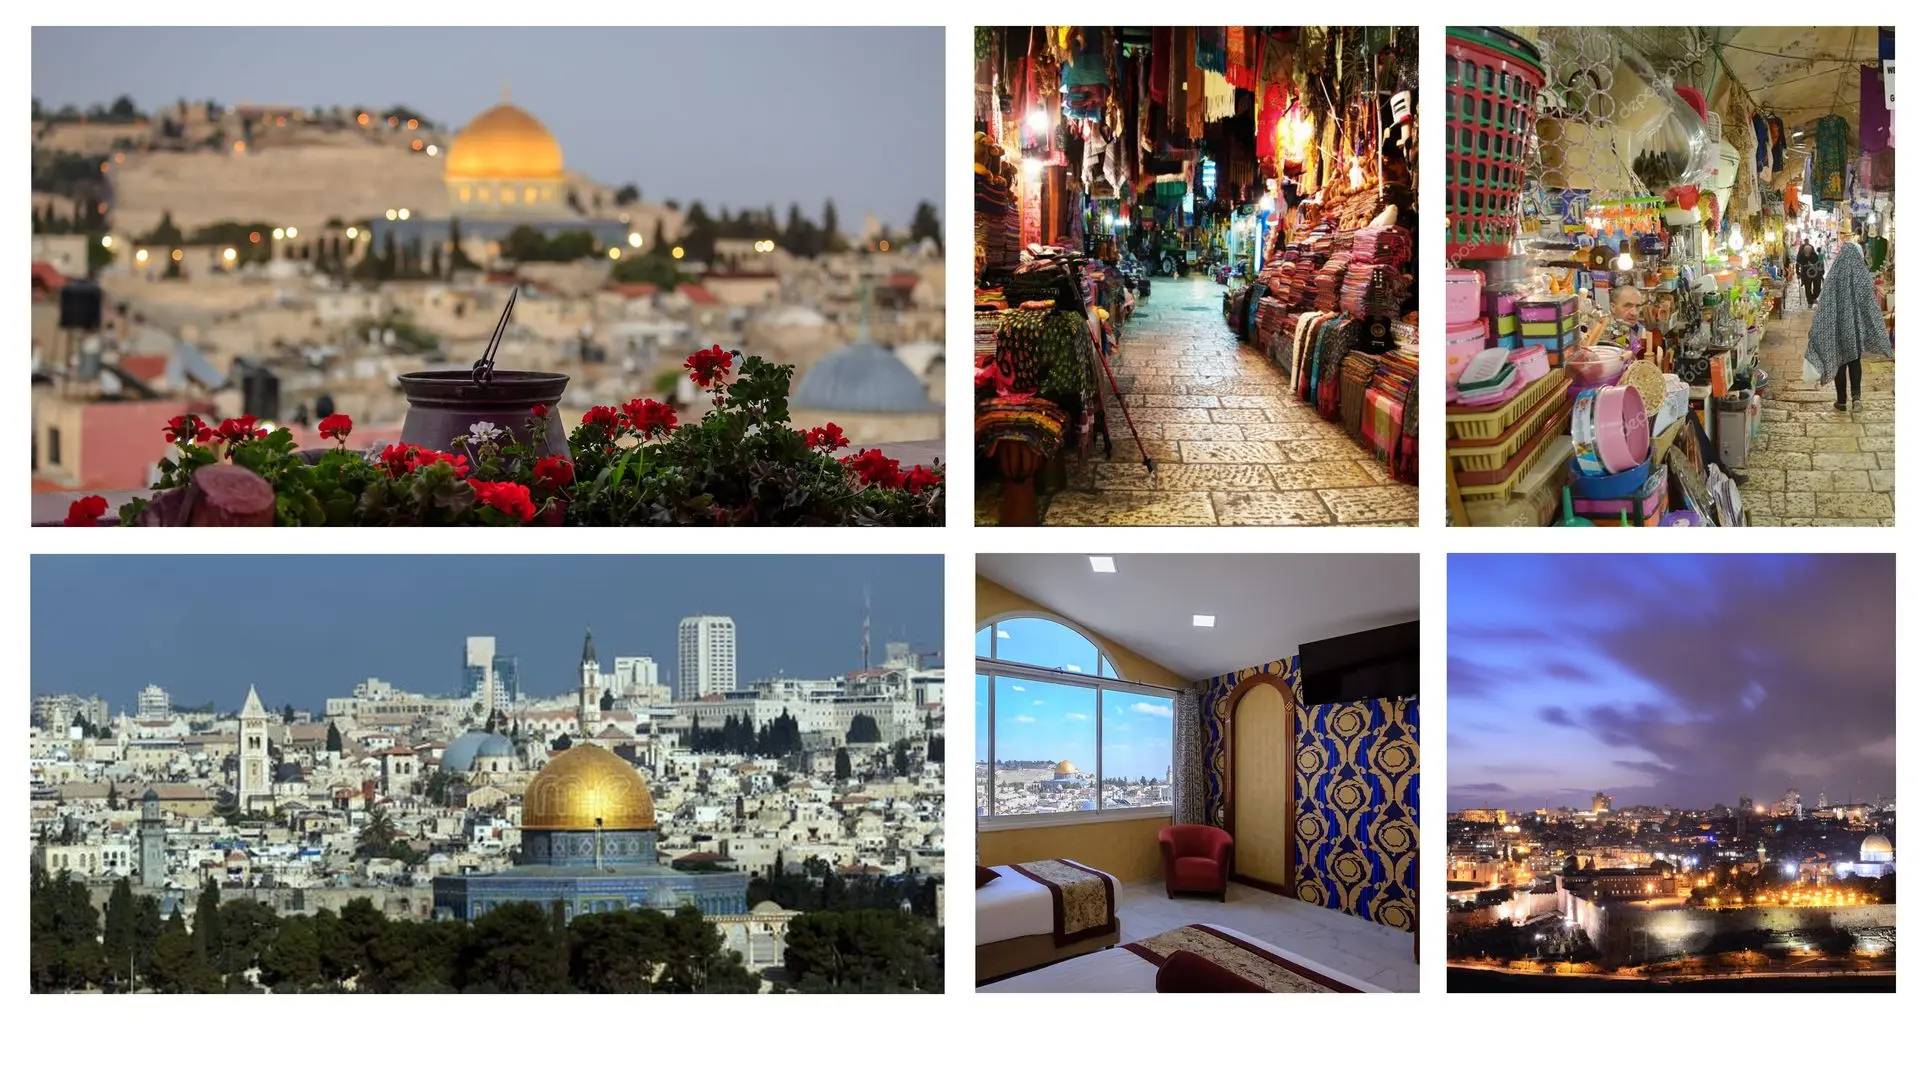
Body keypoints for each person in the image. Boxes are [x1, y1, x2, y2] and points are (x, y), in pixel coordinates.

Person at [1803, 241, 1891, 413]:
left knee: (1841, 363)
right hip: (1856, 329)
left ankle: (1841, 401)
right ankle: (1856, 398)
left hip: (1838, 329)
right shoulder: (1862, 275)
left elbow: (1825, 302)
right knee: (1855, 360)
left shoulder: (1834, 274)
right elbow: (1870, 303)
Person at [1796, 239, 1823, 307]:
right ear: (1804, 251)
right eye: (1806, 251)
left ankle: (1814, 297)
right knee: (1807, 288)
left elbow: (1819, 264)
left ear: (1811, 251)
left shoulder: (1814, 255)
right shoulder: (1801, 256)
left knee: (1817, 288)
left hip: (1815, 273)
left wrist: (1814, 266)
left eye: (1809, 251)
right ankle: (1809, 302)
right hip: (1805, 274)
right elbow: (1798, 263)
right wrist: (1798, 273)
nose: (1807, 253)